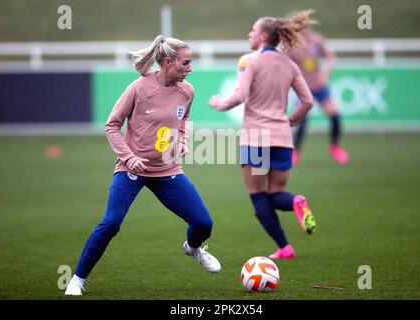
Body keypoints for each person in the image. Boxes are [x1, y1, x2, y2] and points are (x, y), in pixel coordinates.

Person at [65, 35, 221, 296]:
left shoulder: (187, 91)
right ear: (168, 62)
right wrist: (129, 158)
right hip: (131, 170)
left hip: (167, 170)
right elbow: (112, 125)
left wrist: (182, 141)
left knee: (204, 223)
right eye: (186, 63)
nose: (190, 68)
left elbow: (183, 123)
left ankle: (193, 249)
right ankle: (77, 280)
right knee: (112, 223)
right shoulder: (138, 88)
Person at [208, 11, 316, 259]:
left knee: (258, 196)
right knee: (276, 195)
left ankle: (284, 247)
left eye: (253, 30)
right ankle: (296, 201)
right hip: (282, 139)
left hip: (257, 139)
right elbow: (308, 101)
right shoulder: (290, 65)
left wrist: (219, 104)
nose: (249, 34)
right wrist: (290, 121)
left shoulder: (249, 61)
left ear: (264, 36)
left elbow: (240, 95)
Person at [285, 15, 349, 165]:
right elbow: (284, 63)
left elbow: (331, 57)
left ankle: (335, 147)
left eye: (306, 25)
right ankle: (295, 152)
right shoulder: (292, 45)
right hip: (302, 87)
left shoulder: (316, 40)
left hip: (319, 85)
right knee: (302, 120)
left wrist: (325, 72)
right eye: (300, 26)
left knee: (334, 114)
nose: (305, 29)